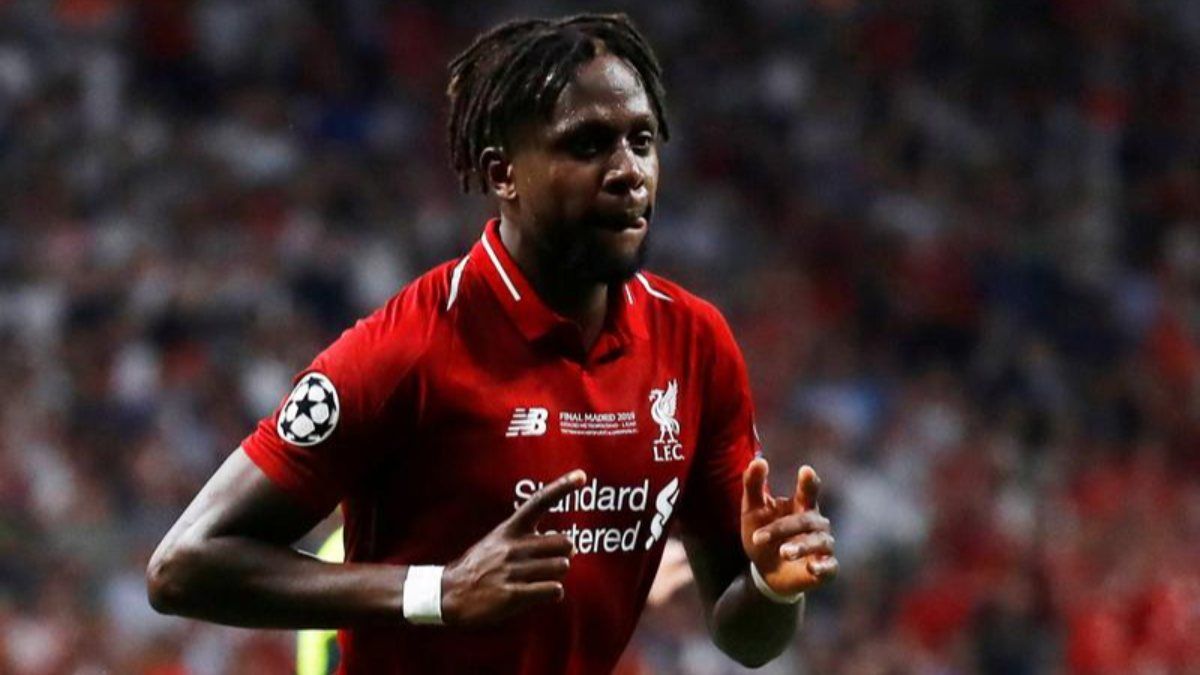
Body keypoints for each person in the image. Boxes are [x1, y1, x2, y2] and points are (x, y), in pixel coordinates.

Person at [146, 13, 838, 674]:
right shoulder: (412, 347)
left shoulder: (694, 343)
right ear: (503, 173)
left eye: (643, 140)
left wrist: (773, 588)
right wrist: (439, 590)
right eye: (588, 144)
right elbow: (184, 566)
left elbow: (746, 638)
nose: (629, 170)